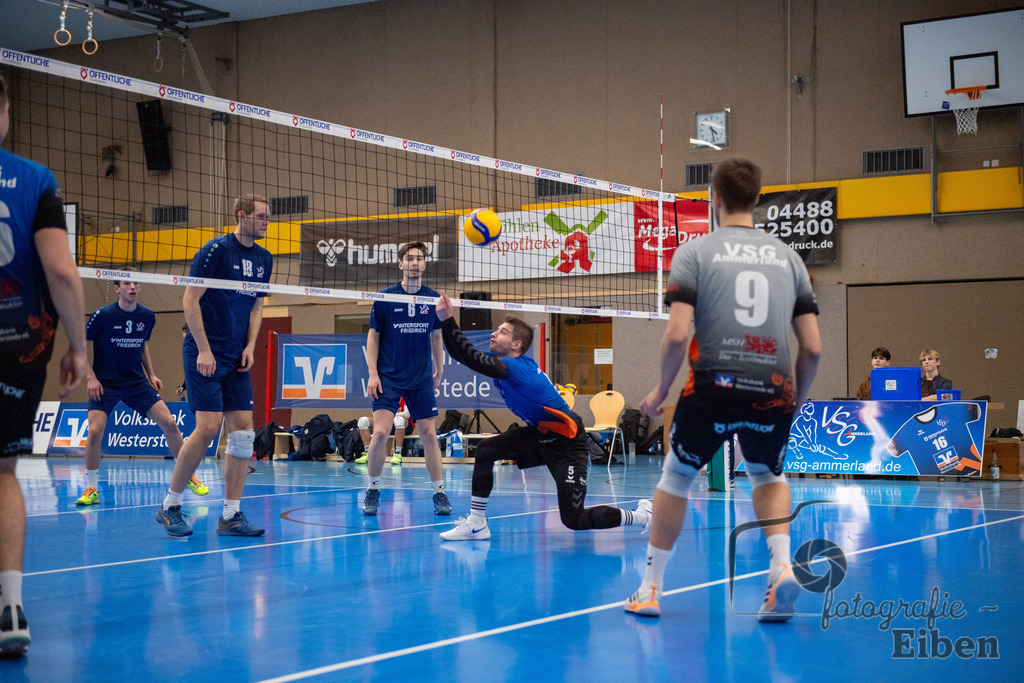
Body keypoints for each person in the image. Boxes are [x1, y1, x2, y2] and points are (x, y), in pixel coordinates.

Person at [624, 157, 821, 620]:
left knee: (675, 478)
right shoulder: (789, 258)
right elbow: (812, 348)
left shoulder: (695, 252)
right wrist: (796, 399)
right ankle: (780, 567)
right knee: (767, 476)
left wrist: (660, 390)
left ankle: (650, 589)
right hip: (772, 388)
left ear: (714, 198)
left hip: (712, 386)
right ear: (757, 198)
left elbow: (677, 335)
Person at [434, 293, 652, 541]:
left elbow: (470, 357)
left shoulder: (517, 367)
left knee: (574, 519)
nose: (494, 334)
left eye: (503, 332)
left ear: (517, 344)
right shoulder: (505, 365)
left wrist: (448, 319)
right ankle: (476, 524)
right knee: (486, 450)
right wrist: (445, 321)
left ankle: (642, 516)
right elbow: (462, 355)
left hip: (568, 442)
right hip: (541, 434)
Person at [0, 73, 88, 657]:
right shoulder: (34, 179)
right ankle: (10, 607)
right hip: (18, 344)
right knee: (3, 474)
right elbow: (60, 271)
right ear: (5, 110)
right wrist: (78, 347)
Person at [155, 194, 272, 538]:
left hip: (237, 356)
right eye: (261, 216)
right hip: (204, 353)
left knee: (243, 433)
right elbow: (189, 299)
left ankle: (231, 515)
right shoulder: (215, 251)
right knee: (207, 428)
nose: (267, 222)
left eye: (268, 217)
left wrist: (250, 346)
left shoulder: (264, 258)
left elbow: (256, 307)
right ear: (241, 216)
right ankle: (170, 505)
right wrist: (205, 350)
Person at [75, 278, 208, 506]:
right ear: (117, 288)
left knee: (170, 424)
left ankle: (188, 476)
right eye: (127, 284)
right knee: (95, 431)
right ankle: (91, 489)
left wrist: (151, 374)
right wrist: (91, 378)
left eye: (136, 283)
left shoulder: (147, 315)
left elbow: (142, 344)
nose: (132, 287)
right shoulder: (102, 315)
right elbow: (80, 347)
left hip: (136, 382)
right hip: (105, 384)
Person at [361, 241, 450, 516]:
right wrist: (373, 373)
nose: (415, 263)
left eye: (419, 258)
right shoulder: (386, 297)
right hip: (388, 376)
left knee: (429, 435)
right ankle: (372, 490)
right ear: (400, 264)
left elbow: (436, 337)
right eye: (410, 259)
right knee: (380, 433)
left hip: (420, 377)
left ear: (425, 264)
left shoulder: (432, 298)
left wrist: (439, 369)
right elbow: (373, 336)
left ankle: (439, 493)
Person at [354, 399, 409, 465]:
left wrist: (389, 415)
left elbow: (407, 414)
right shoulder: (381, 396)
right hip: (386, 423)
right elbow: (374, 413)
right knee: (362, 421)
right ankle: (368, 453)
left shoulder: (402, 395)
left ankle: (398, 453)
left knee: (398, 420)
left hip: (404, 424)